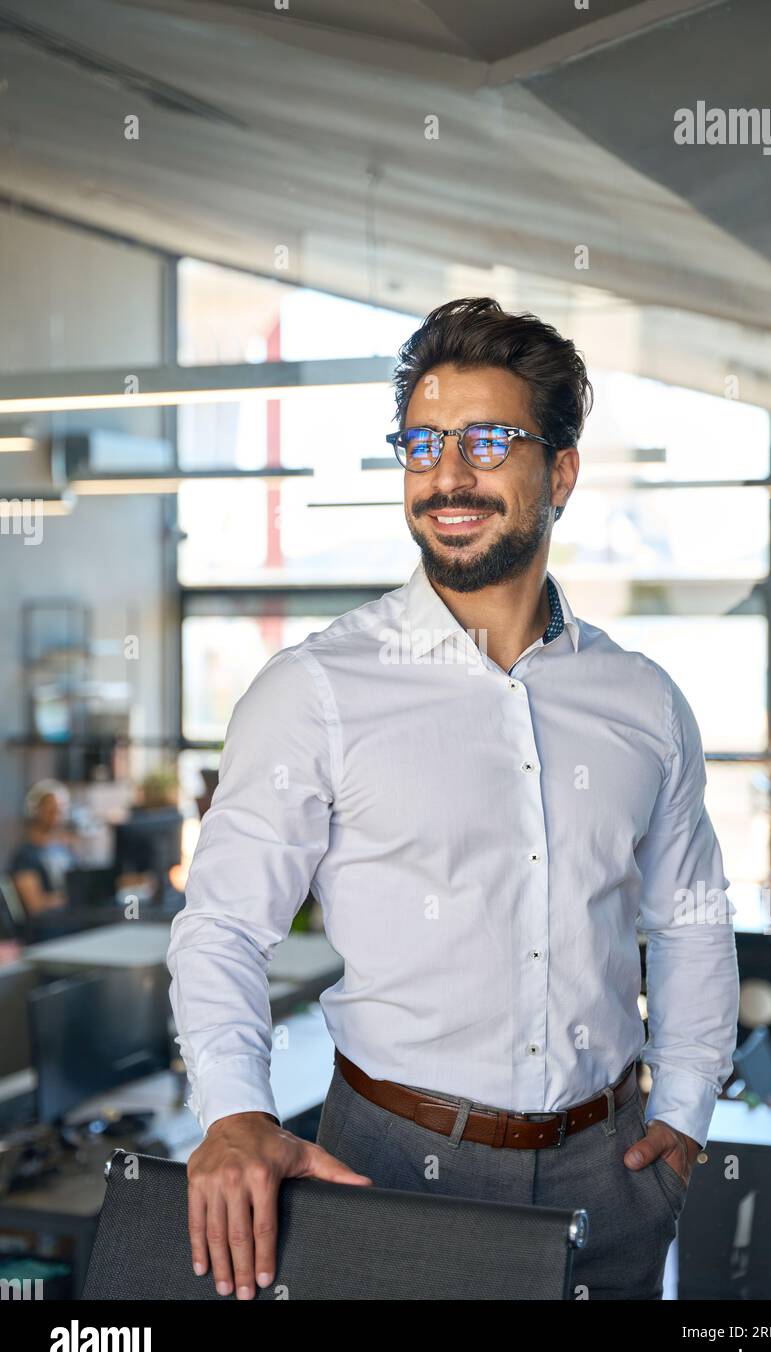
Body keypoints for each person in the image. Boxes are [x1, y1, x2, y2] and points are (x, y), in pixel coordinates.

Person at [167, 297, 740, 1301]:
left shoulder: (641, 700)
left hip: (609, 1176)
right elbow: (219, 927)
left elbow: (687, 922)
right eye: (423, 443)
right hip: (388, 1169)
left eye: (486, 441)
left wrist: (684, 1113)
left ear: (559, 470)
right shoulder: (316, 691)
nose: (447, 474)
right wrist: (233, 1111)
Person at [7, 780, 77, 924]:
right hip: (46, 928)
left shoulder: (63, 850)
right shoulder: (25, 855)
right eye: (51, 811)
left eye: (61, 811)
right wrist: (72, 898)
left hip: (71, 918)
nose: (57, 817)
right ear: (35, 811)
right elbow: (35, 906)